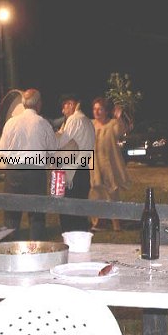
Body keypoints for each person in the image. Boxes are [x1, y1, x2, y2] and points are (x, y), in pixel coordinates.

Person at [0, 89, 57, 240]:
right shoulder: (43, 124)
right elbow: (52, 150)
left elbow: (2, 150)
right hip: (35, 173)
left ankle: (10, 248)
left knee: (11, 215)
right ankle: (36, 247)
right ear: (38, 104)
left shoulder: (11, 123)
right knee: (37, 215)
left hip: (14, 173)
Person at [89, 97, 131, 232]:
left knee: (112, 194)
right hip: (95, 165)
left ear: (106, 111)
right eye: (94, 109)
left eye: (100, 109)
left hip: (109, 165)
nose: (97, 112)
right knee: (95, 193)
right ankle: (98, 222)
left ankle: (116, 223)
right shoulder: (90, 125)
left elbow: (122, 129)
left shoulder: (112, 124)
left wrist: (119, 117)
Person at [55, 94, 95, 232]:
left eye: (64, 106)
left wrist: (55, 134)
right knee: (80, 214)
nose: (63, 111)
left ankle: (69, 241)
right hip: (83, 169)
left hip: (72, 173)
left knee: (68, 215)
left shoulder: (74, 120)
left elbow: (59, 143)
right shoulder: (87, 121)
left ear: (71, 104)